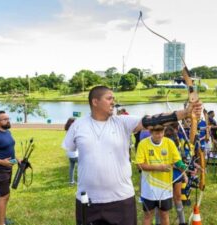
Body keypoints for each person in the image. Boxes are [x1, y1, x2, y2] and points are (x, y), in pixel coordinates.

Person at [62, 85, 202, 225]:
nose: (113, 102)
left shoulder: (122, 122)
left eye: (114, 99)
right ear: (95, 101)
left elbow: (153, 120)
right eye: (109, 98)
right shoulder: (78, 126)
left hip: (121, 200)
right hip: (88, 201)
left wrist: (185, 112)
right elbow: (70, 149)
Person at [136, 126, 188, 225]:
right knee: (148, 215)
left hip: (165, 188)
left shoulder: (169, 143)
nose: (160, 136)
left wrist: (181, 166)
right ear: (150, 132)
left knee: (164, 215)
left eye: (161, 133)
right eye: (156, 133)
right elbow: (139, 165)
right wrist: (159, 167)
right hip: (149, 189)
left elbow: (176, 160)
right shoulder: (143, 144)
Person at [0, 110, 17, 225]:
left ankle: (0, 219)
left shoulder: (7, 132)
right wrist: (2, 162)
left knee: (2, 196)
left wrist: (17, 159)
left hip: (7, 168)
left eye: (8, 118)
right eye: (5, 119)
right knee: (3, 196)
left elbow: (8, 149)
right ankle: (1, 223)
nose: (8, 121)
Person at [64, 118, 78, 185]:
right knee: (82, 168)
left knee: (72, 167)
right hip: (75, 154)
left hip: (69, 153)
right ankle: (81, 182)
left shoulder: (67, 131)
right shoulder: (74, 131)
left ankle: (71, 181)